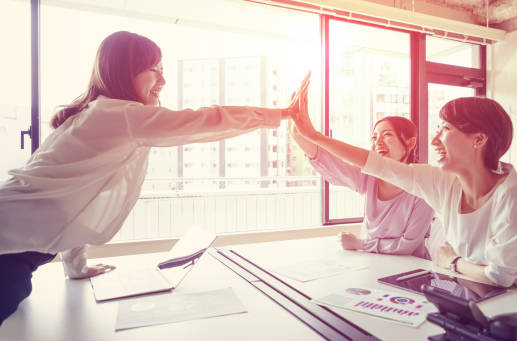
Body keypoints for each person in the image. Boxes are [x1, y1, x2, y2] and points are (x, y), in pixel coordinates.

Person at [0, 31, 310, 323]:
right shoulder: (121, 115)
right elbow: (203, 120)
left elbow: (71, 204)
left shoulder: (94, 114)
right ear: (123, 71)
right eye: (153, 69)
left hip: (15, 249)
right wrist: (280, 114)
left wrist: (76, 268)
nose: (162, 79)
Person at [291, 94, 517, 293]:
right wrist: (314, 136)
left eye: (445, 130)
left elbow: (500, 276)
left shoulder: (511, 192)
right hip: (476, 291)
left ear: (478, 140)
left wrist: (452, 261)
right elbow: (375, 164)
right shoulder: (443, 181)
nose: (434, 141)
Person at [292, 116, 433, 258]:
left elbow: (406, 246)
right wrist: (298, 131)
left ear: (410, 143)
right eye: (374, 137)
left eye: (387, 135)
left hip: (411, 271)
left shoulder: (423, 187)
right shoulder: (370, 178)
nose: (378, 142)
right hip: (372, 260)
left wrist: (359, 244)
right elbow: (332, 164)